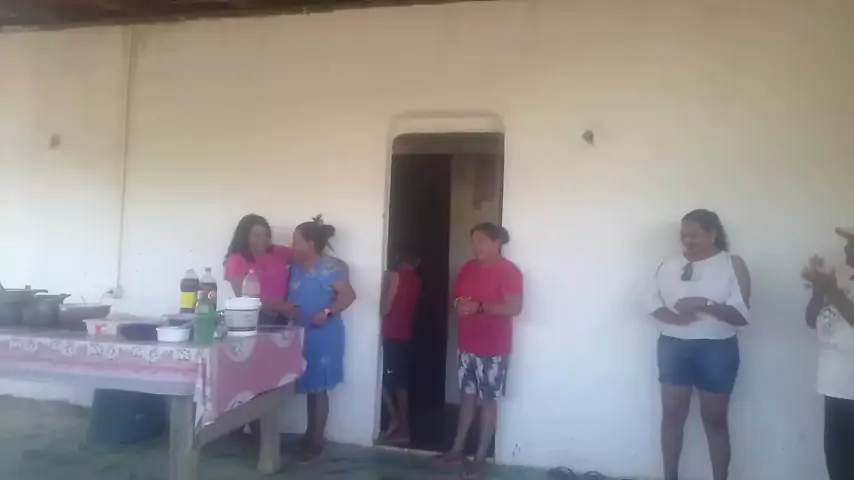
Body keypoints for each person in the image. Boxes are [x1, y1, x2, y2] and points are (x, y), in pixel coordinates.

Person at [646, 209, 751, 480]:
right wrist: (672, 317)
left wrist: (703, 304)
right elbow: (650, 300)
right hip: (673, 346)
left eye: (694, 235)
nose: (687, 241)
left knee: (714, 419)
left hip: (716, 348)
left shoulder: (731, 264)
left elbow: (741, 316)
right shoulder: (669, 264)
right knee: (672, 416)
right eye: (683, 235)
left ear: (712, 233)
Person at [434, 222, 523, 479]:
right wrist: (459, 305)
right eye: (473, 241)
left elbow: (514, 307)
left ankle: (481, 457)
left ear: (497, 243)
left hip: (494, 349)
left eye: (481, 241)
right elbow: (455, 299)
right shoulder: (468, 268)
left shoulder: (509, 271)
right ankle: (456, 450)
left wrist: (480, 307)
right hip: (467, 345)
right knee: (467, 399)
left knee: (487, 402)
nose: (476, 246)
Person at [285, 215, 356, 464]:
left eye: (296, 241)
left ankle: (316, 441)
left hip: (324, 334)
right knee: (309, 385)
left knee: (319, 388)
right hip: (301, 334)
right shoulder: (296, 266)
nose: (292, 245)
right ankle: (309, 435)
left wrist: (326, 312)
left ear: (311, 244)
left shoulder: (330, 268)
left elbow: (348, 296)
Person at [802, 227, 854, 480]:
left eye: (851, 243)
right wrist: (818, 290)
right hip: (835, 388)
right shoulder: (844, 283)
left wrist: (830, 289)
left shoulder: (837, 287)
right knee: (838, 465)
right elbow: (811, 320)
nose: (846, 248)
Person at [379, 244, 422, 445]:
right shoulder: (417, 279)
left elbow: (384, 308)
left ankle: (399, 424)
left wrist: (385, 285)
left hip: (391, 332)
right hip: (405, 332)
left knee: (388, 380)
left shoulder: (395, 276)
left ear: (397, 257)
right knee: (400, 383)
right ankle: (401, 424)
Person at [224, 214, 293, 324]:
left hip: (284, 317)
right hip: (255, 317)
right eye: (257, 235)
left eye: (265, 235)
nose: (262, 239)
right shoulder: (236, 260)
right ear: (245, 237)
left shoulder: (278, 252)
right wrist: (278, 306)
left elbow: (306, 254)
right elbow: (243, 299)